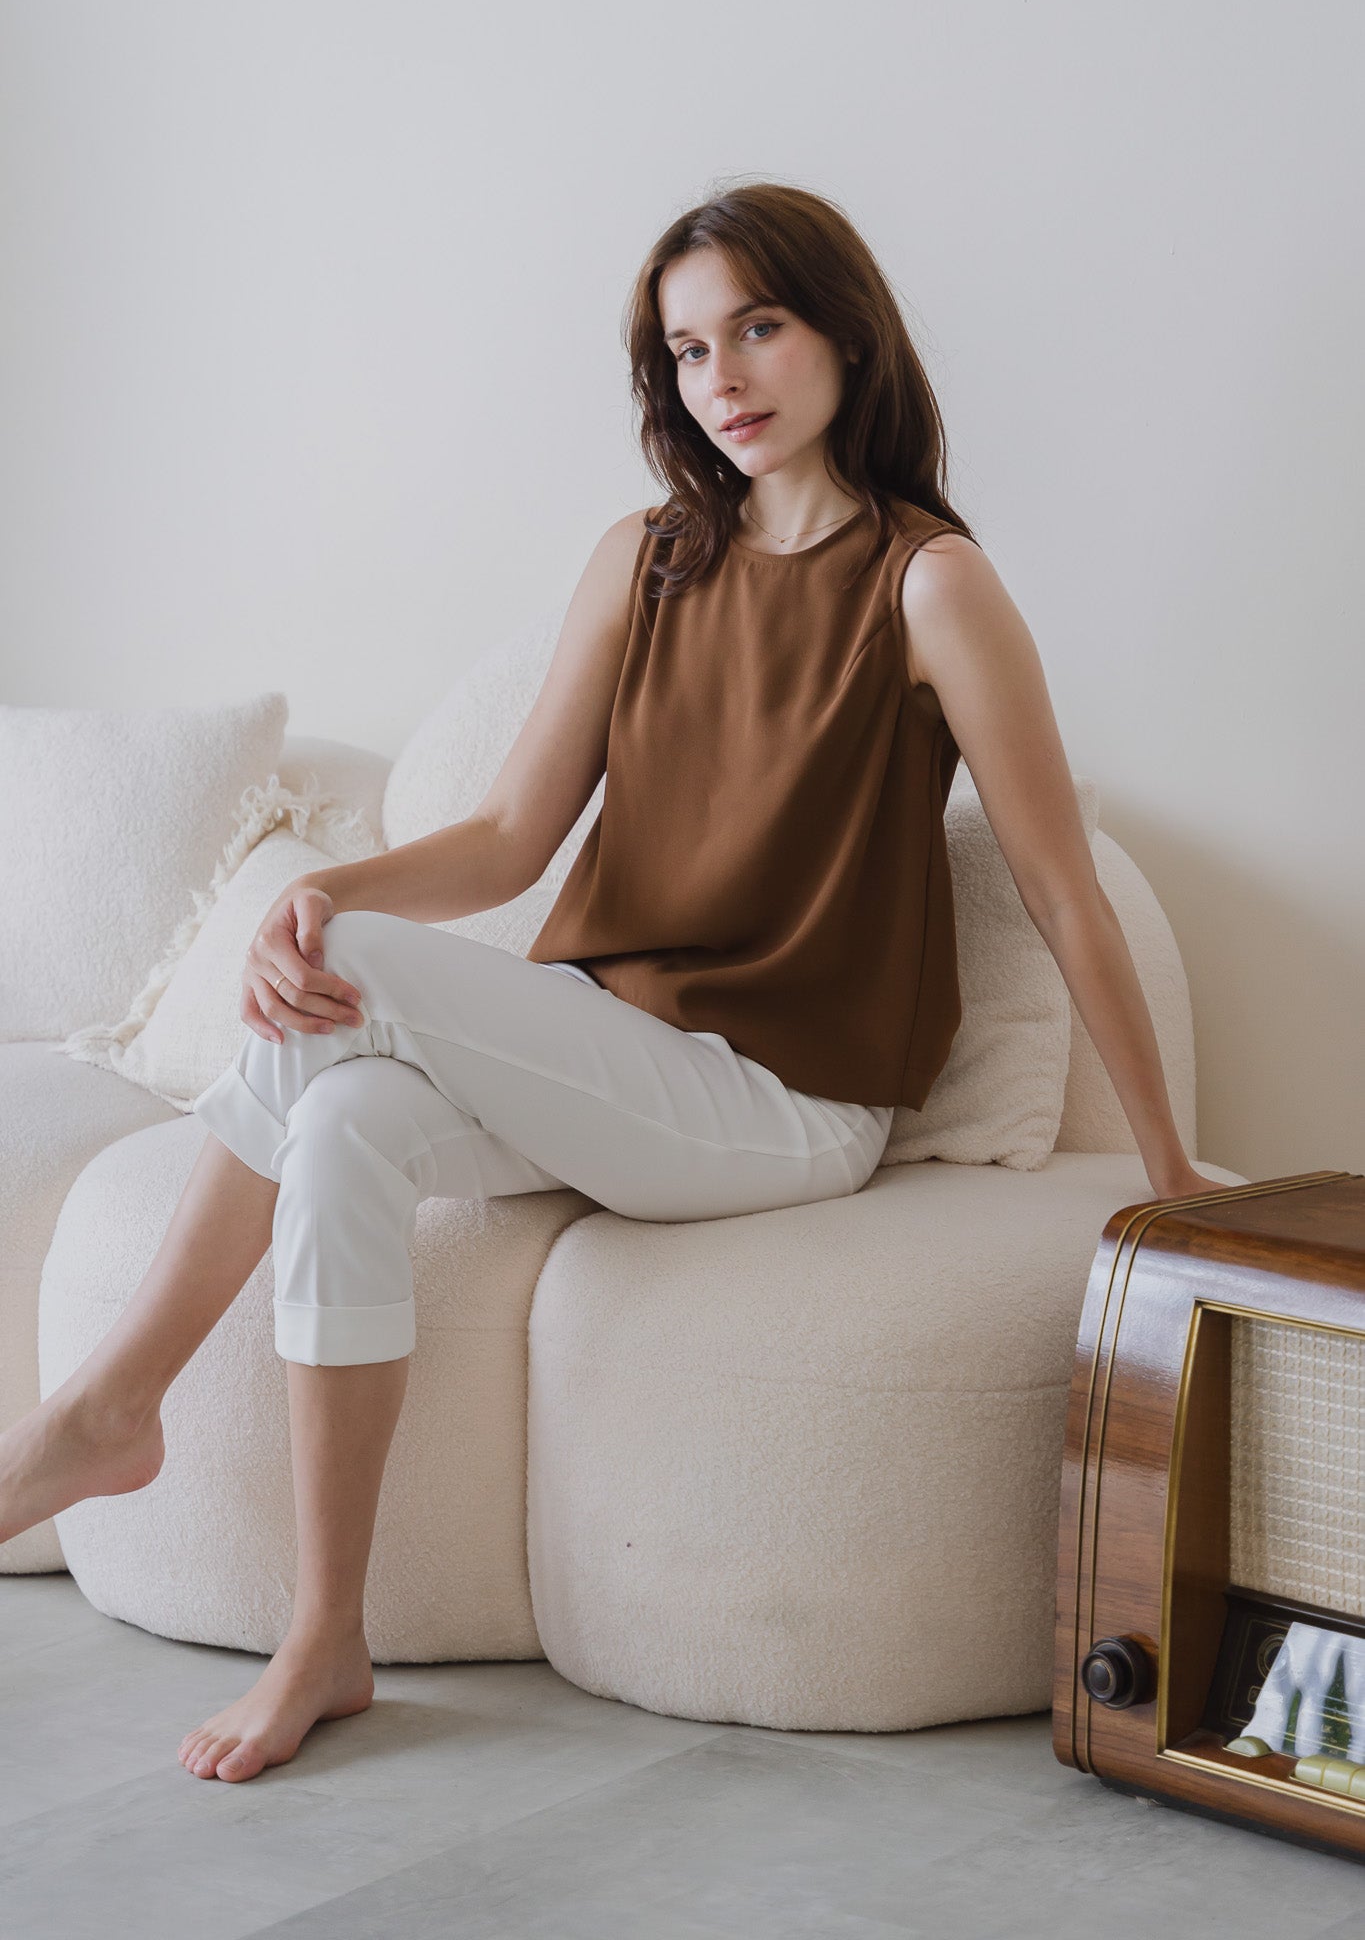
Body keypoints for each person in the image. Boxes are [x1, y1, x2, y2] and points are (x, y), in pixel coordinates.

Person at [0, 179, 1227, 1784]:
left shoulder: (928, 586)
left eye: (758, 328)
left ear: (848, 334)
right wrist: (333, 886)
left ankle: (106, 1409)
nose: (723, 376)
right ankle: (326, 1634)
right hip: (613, 1059)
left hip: (788, 1106)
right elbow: (512, 835)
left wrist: (1164, 1162)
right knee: (343, 1121)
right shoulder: (643, 559)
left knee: (341, 973)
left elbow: (1060, 887)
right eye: (688, 348)